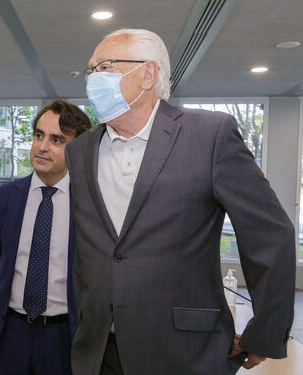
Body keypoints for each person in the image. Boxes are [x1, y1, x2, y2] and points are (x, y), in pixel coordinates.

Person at [65, 28, 296, 375]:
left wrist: (265, 332)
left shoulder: (209, 135)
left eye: (106, 67)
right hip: (99, 352)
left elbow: (270, 235)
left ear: (147, 73)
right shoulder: (80, 150)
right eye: (90, 70)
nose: (93, 79)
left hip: (185, 352)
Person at [0, 99, 91, 374]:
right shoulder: (2, 199)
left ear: (77, 150)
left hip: (66, 336)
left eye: (57, 140)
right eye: (38, 135)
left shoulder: (90, 204)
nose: (42, 146)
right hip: (10, 334)